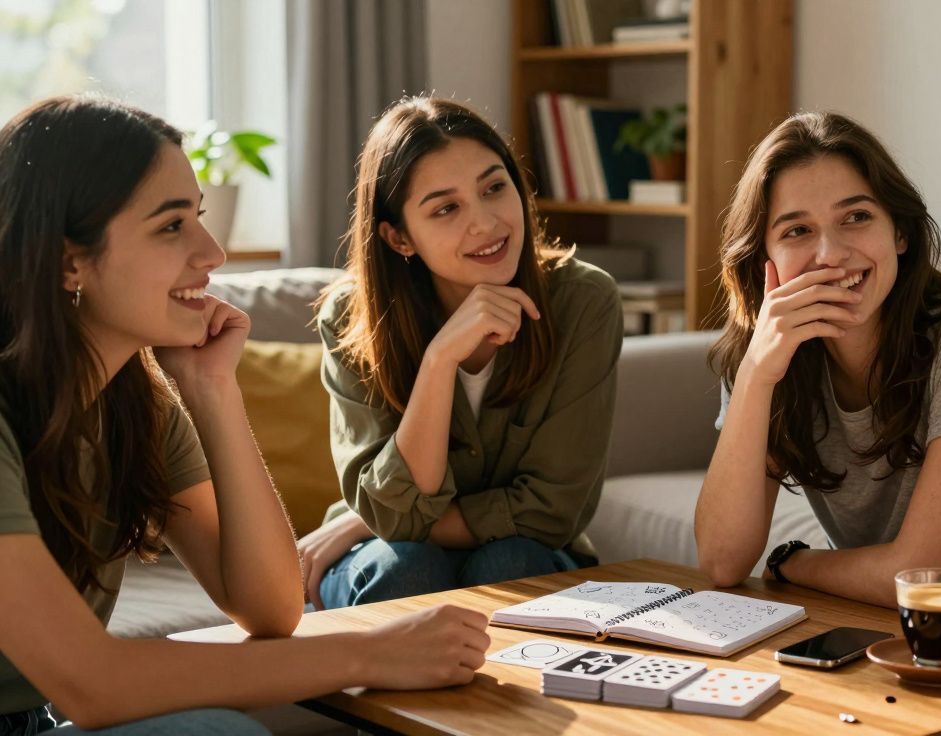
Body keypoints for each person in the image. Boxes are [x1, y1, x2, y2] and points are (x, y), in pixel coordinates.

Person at [0, 96, 491, 735]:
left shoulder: (135, 403)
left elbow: (268, 608)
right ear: (70, 260)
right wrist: (376, 653)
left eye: (199, 218)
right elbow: (94, 686)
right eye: (171, 226)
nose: (212, 252)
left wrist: (212, 391)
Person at [695, 111, 941, 622]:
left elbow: (925, 575)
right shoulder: (768, 353)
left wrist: (795, 564)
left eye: (856, 217)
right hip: (873, 607)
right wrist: (756, 375)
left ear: (899, 234)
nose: (830, 254)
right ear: (763, 258)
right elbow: (723, 561)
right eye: (797, 230)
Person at [297, 97, 624, 610]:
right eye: (446, 208)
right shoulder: (350, 317)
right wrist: (439, 360)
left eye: (495, 187)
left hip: (522, 551)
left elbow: (551, 513)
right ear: (399, 236)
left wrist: (377, 521)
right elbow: (393, 526)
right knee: (407, 567)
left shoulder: (582, 302)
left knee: (511, 563)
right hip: (384, 556)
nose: (486, 223)